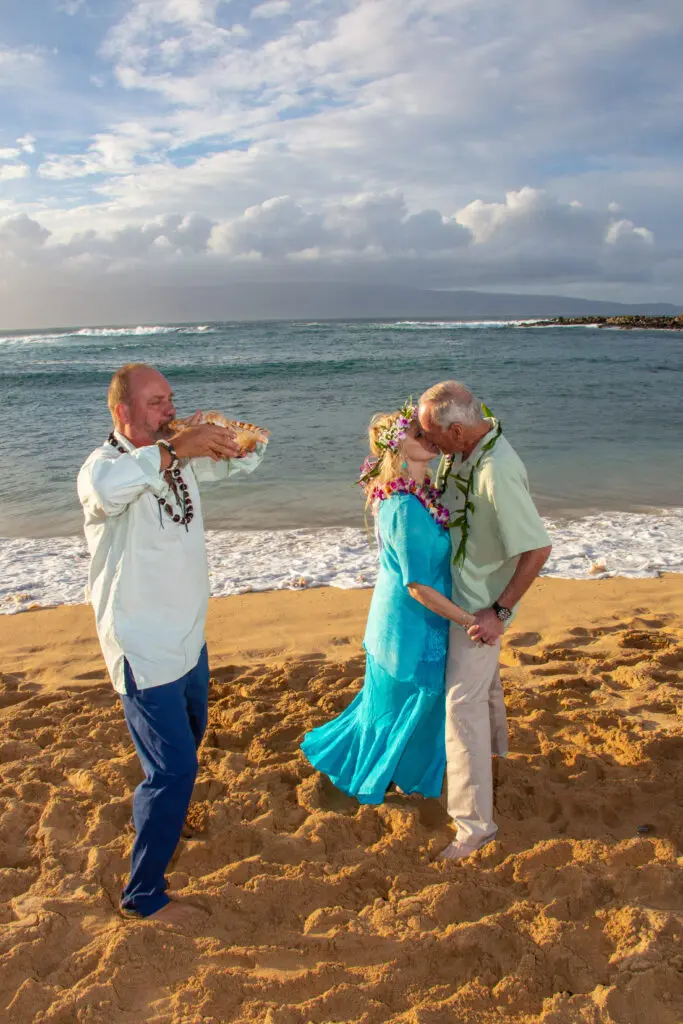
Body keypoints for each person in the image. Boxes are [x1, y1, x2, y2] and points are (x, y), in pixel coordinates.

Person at [77, 362, 265, 924]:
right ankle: (143, 896)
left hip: (189, 638)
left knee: (187, 745)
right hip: (142, 646)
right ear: (123, 412)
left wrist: (238, 440)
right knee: (174, 770)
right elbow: (110, 491)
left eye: (170, 400)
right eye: (155, 402)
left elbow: (243, 464)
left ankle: (160, 817)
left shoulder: (176, 463)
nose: (167, 409)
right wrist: (176, 445)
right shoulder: (104, 468)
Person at [301, 402, 478, 802]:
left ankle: (413, 774)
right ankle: (387, 775)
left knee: (422, 703)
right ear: (398, 447)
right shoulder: (402, 506)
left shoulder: (425, 494)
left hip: (426, 617)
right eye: (418, 435)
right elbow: (417, 585)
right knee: (403, 704)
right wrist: (469, 620)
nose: (428, 438)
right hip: (408, 621)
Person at [418, 380, 552, 861]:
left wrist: (499, 612)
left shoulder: (497, 471)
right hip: (460, 595)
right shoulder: (465, 447)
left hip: (478, 610)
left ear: (457, 430)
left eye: (434, 437)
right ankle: (496, 764)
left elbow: (538, 548)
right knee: (483, 691)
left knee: (462, 708)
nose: (430, 445)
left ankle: (475, 829)